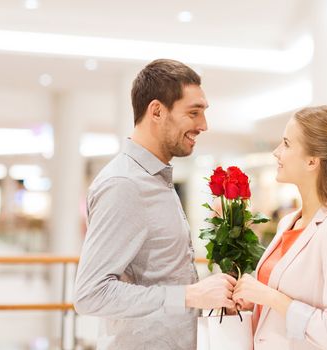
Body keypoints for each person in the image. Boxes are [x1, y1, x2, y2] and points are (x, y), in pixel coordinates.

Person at [74, 59, 236, 349]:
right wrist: (189, 295)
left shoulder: (155, 178)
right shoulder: (124, 184)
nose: (204, 125)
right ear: (157, 111)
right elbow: (90, 294)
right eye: (193, 113)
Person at [232, 106, 327, 350]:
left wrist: (270, 297)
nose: (277, 152)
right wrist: (254, 303)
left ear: (312, 161)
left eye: (287, 144)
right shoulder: (289, 223)